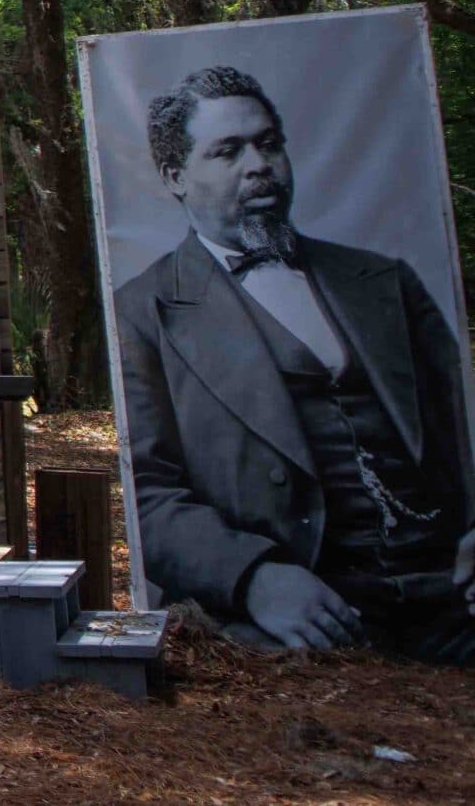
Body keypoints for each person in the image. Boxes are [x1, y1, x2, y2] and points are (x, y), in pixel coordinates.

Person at [113, 66, 475, 662]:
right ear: (175, 177)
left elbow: (463, 426)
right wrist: (254, 578)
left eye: (268, 144)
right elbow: (144, 491)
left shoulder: (383, 282)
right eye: (227, 151)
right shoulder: (142, 311)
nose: (258, 165)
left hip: (451, 598)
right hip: (305, 614)